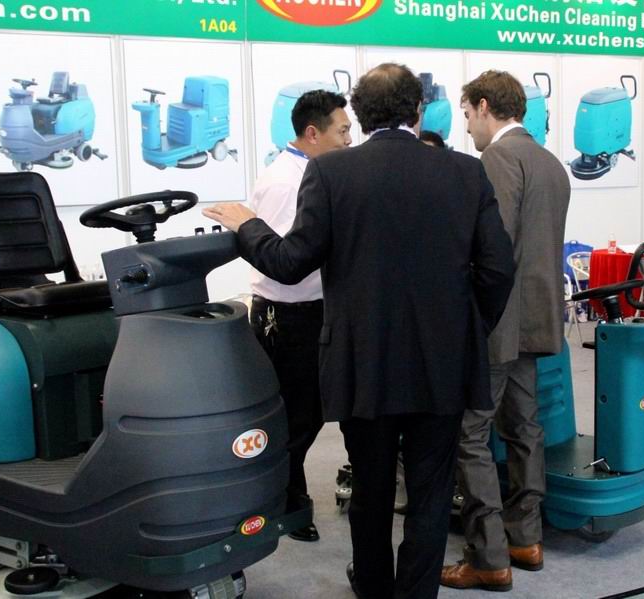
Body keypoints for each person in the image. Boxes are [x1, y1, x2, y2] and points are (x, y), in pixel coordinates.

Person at [203, 63, 514, 599]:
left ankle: (373, 588)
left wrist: (246, 224)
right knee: (431, 491)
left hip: (362, 361)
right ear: (418, 111)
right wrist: (465, 329)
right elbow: (497, 270)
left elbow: (289, 262)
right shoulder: (465, 172)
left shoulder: (330, 173)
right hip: (442, 362)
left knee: (370, 487)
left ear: (362, 116)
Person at [441, 70, 570, 593]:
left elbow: (491, 249)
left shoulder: (496, 159)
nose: (467, 126)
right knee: (524, 428)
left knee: (470, 434)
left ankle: (488, 557)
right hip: (537, 319)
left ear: (483, 106)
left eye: (467, 114)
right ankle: (525, 538)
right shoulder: (550, 162)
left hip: (498, 323)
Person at [247, 89, 352, 542]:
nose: (349, 140)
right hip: (288, 314)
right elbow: (280, 259)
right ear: (313, 133)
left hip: (318, 309)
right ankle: (289, 503)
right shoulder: (285, 183)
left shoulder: (315, 174)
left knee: (314, 413)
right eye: (342, 131)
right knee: (296, 418)